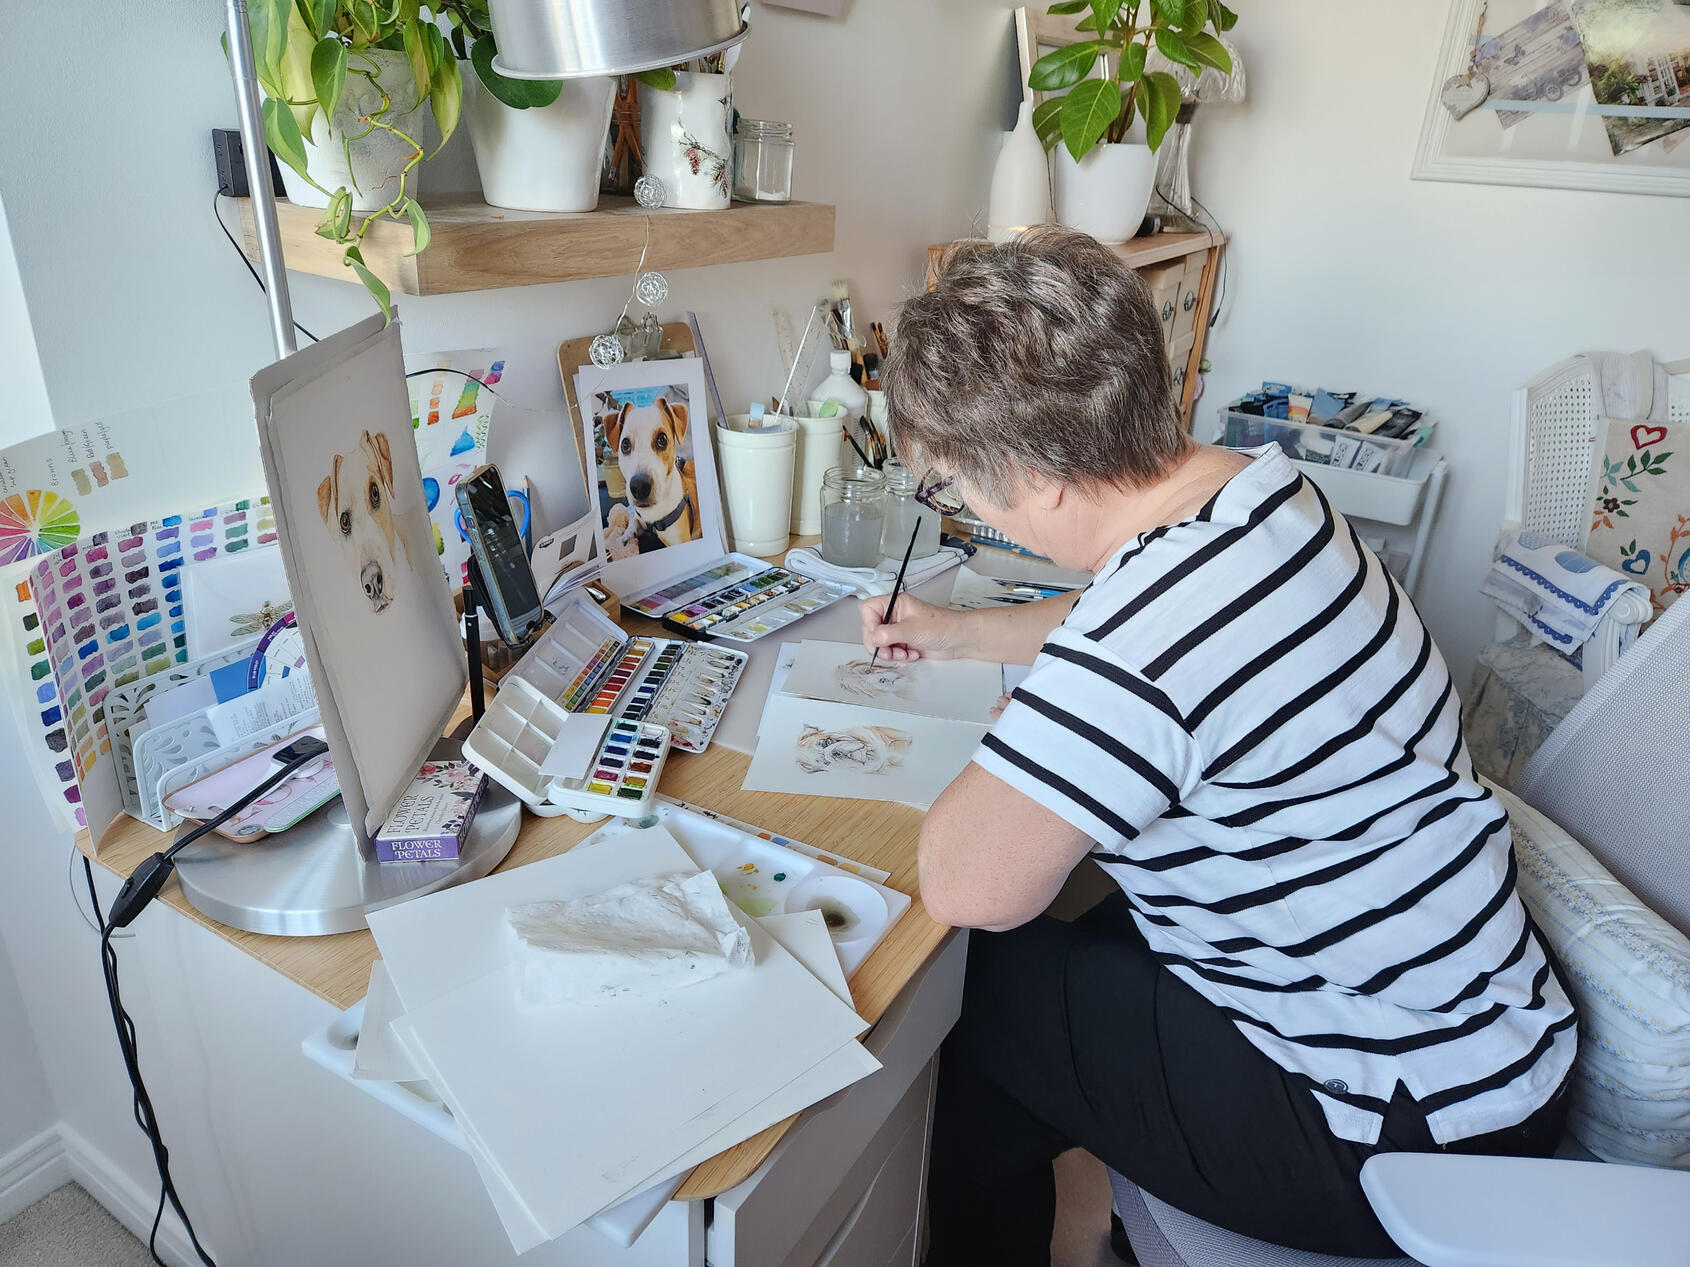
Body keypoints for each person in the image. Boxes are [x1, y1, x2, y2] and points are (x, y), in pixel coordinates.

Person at [865, 228, 1575, 1263]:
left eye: (958, 487)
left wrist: (1037, 728)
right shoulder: (1262, 494)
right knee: (1076, 941)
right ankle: (1076, 1207)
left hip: (1401, 1124)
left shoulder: (1147, 633)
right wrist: (959, 635)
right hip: (1486, 1026)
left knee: (975, 987)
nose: (967, 509)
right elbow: (1120, 623)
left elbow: (965, 881)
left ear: (1031, 476)